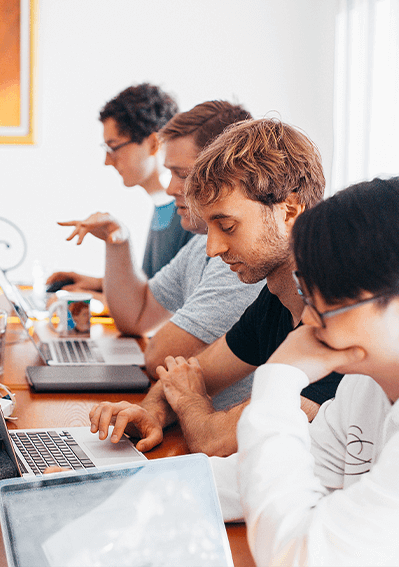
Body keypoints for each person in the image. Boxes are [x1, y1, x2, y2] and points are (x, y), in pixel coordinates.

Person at [90, 118, 343, 457]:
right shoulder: (275, 300)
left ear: (290, 211)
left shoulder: (338, 319)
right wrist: (152, 412)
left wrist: (192, 402)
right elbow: (187, 376)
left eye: (227, 226)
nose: (212, 248)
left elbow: (215, 440)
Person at [216, 176, 399, 565]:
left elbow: (296, 556)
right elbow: (262, 478)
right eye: (307, 292)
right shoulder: (363, 386)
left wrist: (278, 378)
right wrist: (108, 485)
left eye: (328, 298)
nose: (311, 318)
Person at [58, 101, 263, 380]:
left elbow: (158, 357)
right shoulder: (197, 247)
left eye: (183, 174)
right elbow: (136, 317)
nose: (169, 187)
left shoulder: (240, 260)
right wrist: (118, 243)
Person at [47, 83, 187, 297]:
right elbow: (153, 285)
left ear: (153, 143)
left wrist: (100, 298)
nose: (107, 161)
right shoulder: (162, 207)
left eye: (114, 147)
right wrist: (96, 284)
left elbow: (169, 303)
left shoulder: (187, 213)